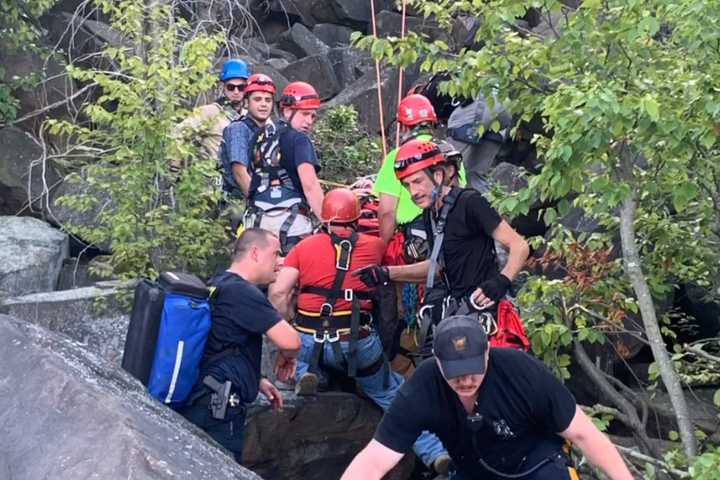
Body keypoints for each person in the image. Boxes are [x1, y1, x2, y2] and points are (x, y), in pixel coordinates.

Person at [268, 188, 452, 475]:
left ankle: (306, 370)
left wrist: (289, 327)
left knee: (300, 348)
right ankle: (434, 452)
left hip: (309, 335)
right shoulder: (376, 246)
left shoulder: (303, 248)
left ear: (325, 219)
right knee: (391, 393)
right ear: (357, 218)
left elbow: (279, 291)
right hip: (356, 341)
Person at [341, 315, 634, 480]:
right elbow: (375, 460)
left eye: (472, 370)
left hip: (536, 463)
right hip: (474, 470)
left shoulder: (521, 371)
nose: (465, 380)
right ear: (437, 360)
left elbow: (585, 435)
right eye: (455, 372)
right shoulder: (423, 387)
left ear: (487, 353)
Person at [355, 138, 530, 347]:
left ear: (438, 175)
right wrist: (386, 273)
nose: (413, 192)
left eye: (418, 182)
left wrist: (501, 281)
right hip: (456, 311)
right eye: (407, 185)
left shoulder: (470, 203)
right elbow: (437, 268)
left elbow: (519, 246)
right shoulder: (431, 213)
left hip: (482, 309)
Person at [178, 228, 301, 463]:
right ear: (255, 253)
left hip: (203, 396)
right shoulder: (242, 292)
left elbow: (221, 342)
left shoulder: (217, 283)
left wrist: (256, 379)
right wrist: (288, 356)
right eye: (276, 254)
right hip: (218, 409)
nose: (281, 261)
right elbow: (291, 341)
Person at [242, 81, 324, 255]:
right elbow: (310, 185)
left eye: (313, 116)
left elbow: (253, 175)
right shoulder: (300, 140)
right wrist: (328, 222)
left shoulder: (258, 136)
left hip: (257, 223)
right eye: (305, 114)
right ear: (287, 110)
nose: (309, 121)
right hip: (293, 224)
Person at [171, 59, 250, 173]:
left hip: (240, 180)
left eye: (241, 87)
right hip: (211, 180)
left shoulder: (248, 116)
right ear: (223, 86)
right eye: (231, 87)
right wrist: (175, 165)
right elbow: (179, 132)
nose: (236, 92)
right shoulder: (209, 112)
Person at [217, 73, 276, 226]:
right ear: (246, 102)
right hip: (238, 201)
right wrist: (264, 205)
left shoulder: (269, 131)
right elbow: (239, 172)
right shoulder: (238, 129)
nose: (263, 104)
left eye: (267, 100)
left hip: (261, 196)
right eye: (257, 99)